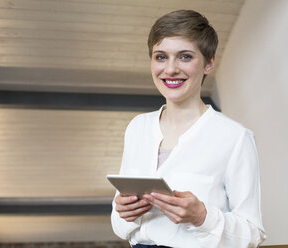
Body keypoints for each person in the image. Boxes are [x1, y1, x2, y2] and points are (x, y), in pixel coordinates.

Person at [111, 10, 266, 248]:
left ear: (209, 63)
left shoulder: (235, 138)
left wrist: (202, 217)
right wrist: (124, 212)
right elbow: (120, 226)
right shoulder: (137, 128)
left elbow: (252, 234)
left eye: (185, 57)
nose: (170, 69)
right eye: (161, 57)